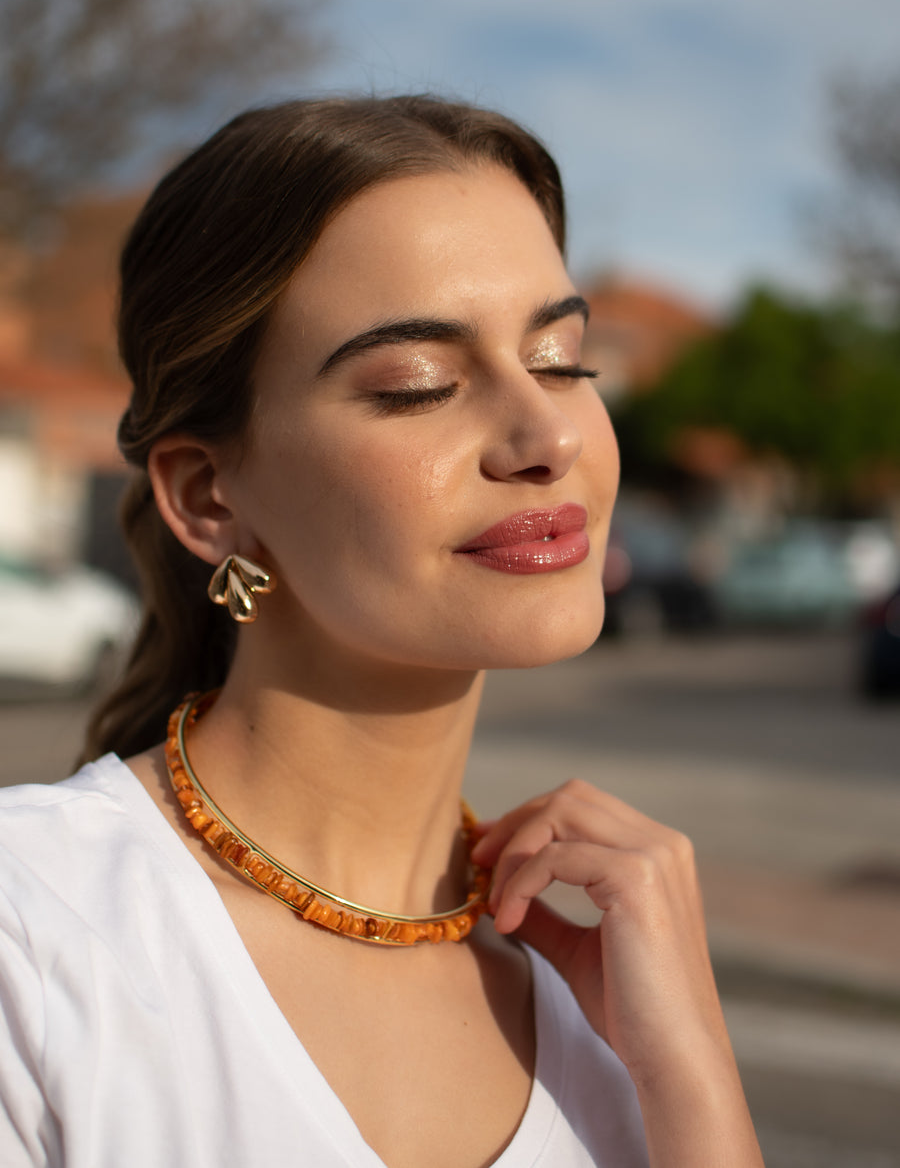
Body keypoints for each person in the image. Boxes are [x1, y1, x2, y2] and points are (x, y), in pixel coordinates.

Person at [0, 96, 763, 1167]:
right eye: (421, 386)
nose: (546, 435)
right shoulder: (35, 936)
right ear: (210, 494)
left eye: (562, 360)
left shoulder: (615, 1011)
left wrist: (693, 1080)